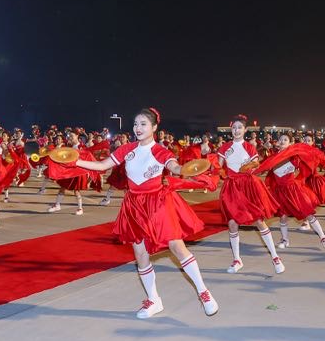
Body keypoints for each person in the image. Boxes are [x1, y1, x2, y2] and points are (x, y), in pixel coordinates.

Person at [74, 108, 219, 319]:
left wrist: (185, 170)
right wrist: (74, 161)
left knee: (176, 246)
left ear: (154, 127)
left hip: (157, 202)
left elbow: (174, 166)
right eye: (136, 124)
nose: (138, 128)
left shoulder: (160, 151)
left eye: (143, 124)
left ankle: (203, 292)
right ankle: (154, 299)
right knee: (140, 253)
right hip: (134, 205)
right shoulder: (127, 149)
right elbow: (102, 165)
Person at [217, 115, 284, 274]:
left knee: (258, 221)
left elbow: (256, 163)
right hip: (231, 187)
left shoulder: (249, 147)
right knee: (232, 223)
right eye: (234, 127)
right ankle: (237, 259)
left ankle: (275, 257)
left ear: (245, 130)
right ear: (231, 129)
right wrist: (214, 173)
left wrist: (248, 166)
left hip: (247, 186)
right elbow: (218, 167)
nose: (236, 130)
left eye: (240, 127)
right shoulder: (224, 148)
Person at [261, 133, 325, 249]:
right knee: (282, 216)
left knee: (307, 213)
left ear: (290, 143)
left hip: (293, 189)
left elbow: (307, 157)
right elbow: (263, 166)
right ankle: (285, 240)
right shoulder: (273, 157)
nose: (282, 141)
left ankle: (323, 237)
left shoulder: (293, 156)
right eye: (281, 139)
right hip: (280, 191)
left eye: (285, 140)